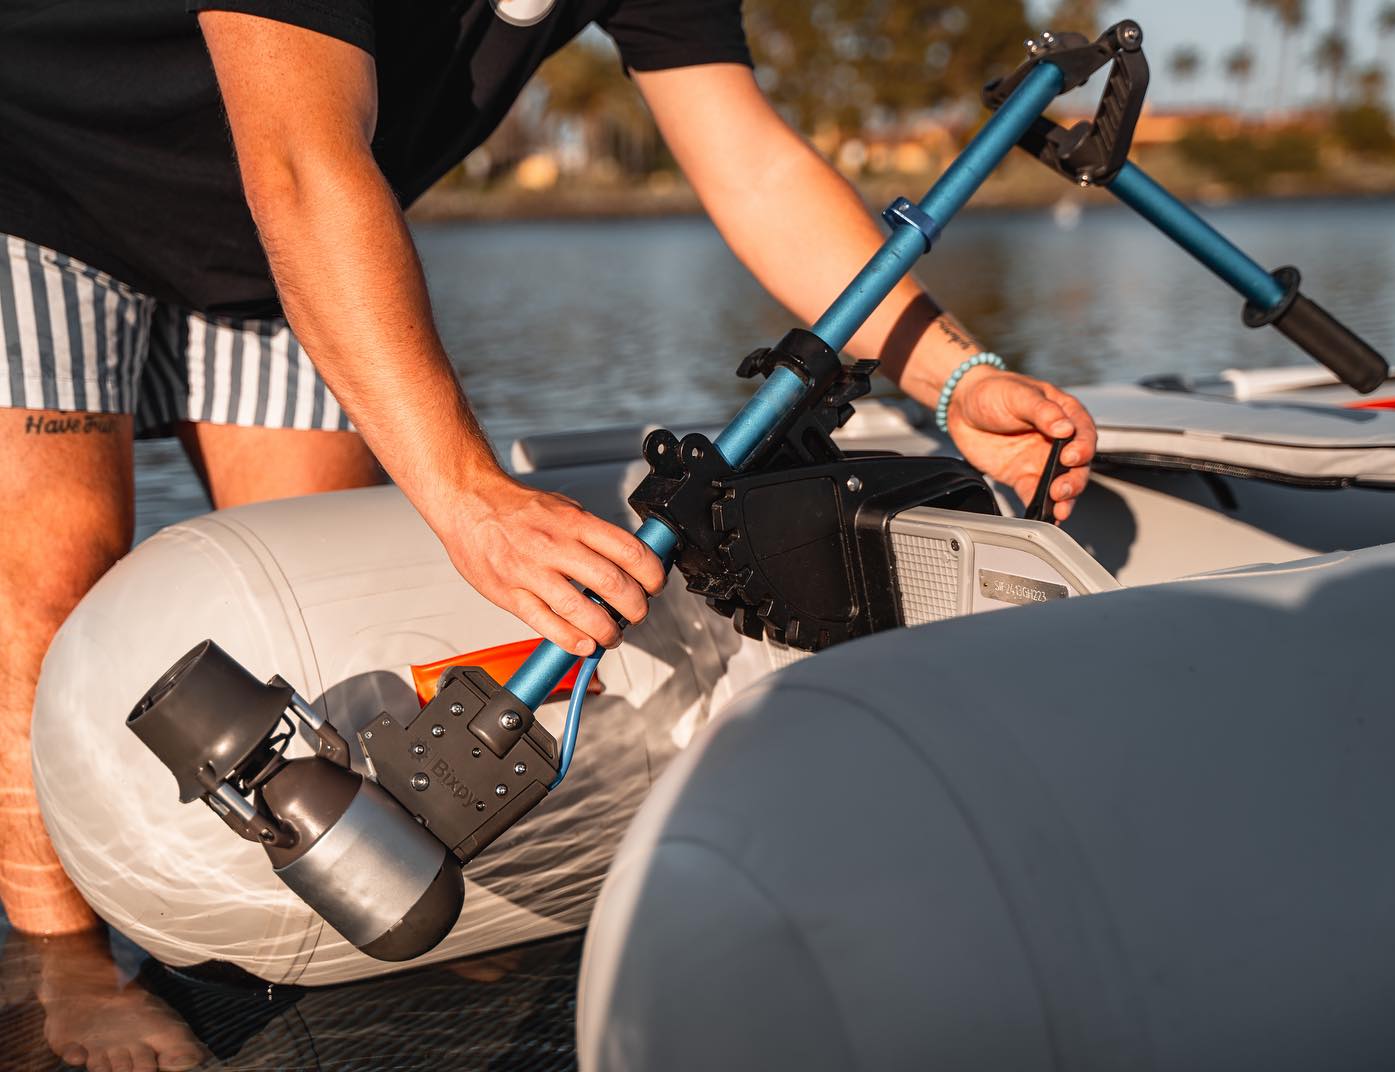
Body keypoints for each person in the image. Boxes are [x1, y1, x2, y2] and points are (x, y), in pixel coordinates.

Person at [0, 0, 1096, 1066]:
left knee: (300, 606)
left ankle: (324, 895)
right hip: (52, 180)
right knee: (54, 568)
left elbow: (750, 161)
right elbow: (297, 161)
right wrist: (469, 495)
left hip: (262, 244)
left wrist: (953, 377)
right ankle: (71, 966)